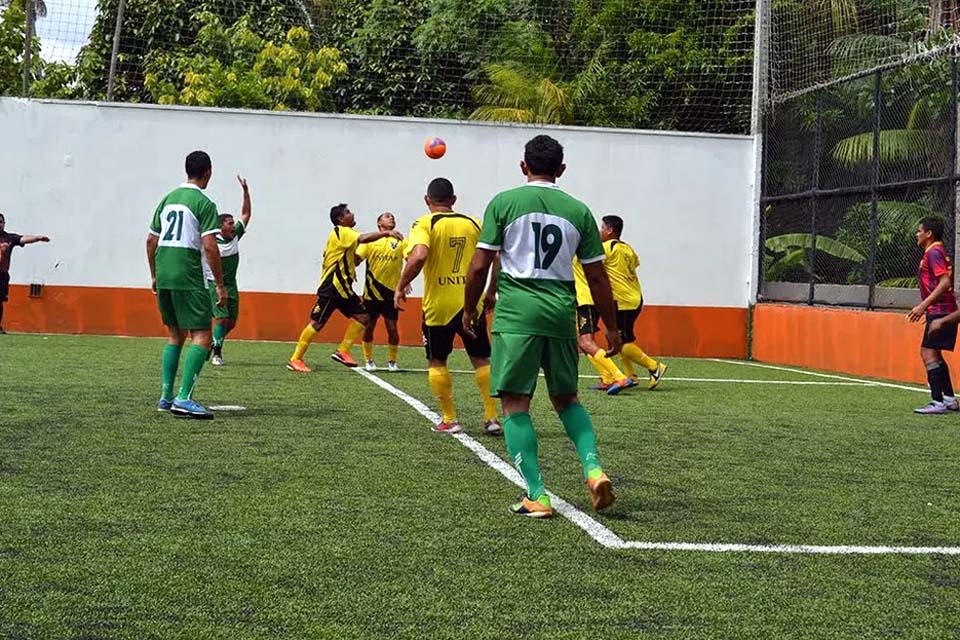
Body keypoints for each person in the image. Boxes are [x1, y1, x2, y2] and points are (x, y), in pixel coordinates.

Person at [463, 134, 621, 518]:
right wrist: (612, 328)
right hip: (560, 314)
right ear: (561, 170)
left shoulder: (503, 202)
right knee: (567, 398)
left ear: (523, 166)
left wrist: (469, 308)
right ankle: (593, 468)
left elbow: (481, 265)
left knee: (515, 402)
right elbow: (597, 277)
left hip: (517, 314)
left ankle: (537, 494)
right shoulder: (579, 211)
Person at [395, 178, 502, 436]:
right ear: (454, 200)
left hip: (438, 305)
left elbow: (419, 255)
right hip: (469, 302)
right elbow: (497, 256)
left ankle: (450, 419)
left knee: (437, 359)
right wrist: (490, 291)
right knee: (481, 358)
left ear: (427, 200)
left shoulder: (424, 223)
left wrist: (400, 285)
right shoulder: (474, 222)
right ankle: (491, 417)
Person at [146, 150, 226, 419]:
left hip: (164, 272)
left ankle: (166, 396)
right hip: (188, 273)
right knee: (202, 335)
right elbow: (210, 246)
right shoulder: (204, 202)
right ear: (208, 172)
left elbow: (150, 240)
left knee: (174, 335)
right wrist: (220, 285)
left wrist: (154, 275)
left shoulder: (167, 199)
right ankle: (184, 398)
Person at [287, 204, 402, 372]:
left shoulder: (346, 236)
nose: (352, 214)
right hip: (332, 288)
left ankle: (342, 351)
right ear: (340, 219)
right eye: (348, 212)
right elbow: (363, 239)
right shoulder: (342, 231)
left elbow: (353, 257)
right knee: (317, 323)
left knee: (364, 317)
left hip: (344, 289)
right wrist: (387, 233)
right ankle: (295, 359)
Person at [599, 215, 667, 389]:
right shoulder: (627, 248)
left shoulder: (606, 248)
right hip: (635, 297)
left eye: (602, 228)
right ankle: (631, 376)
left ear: (609, 230)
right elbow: (634, 264)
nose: (600, 232)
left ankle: (654, 366)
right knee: (618, 338)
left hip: (621, 300)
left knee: (619, 342)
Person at [338, 212, 407, 372]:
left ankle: (392, 361)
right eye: (387, 216)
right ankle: (369, 359)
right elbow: (356, 260)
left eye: (393, 217)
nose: (392, 218)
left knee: (392, 328)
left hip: (391, 294)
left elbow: (410, 261)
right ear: (379, 223)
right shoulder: (370, 241)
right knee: (369, 327)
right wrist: (344, 254)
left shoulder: (401, 240)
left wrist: (405, 283)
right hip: (371, 294)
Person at [908, 216, 959, 414]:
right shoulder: (934, 252)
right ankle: (949, 399)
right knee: (935, 353)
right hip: (940, 310)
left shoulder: (934, 252)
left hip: (940, 311)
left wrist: (923, 306)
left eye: (920, 230)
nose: (917, 234)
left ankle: (937, 402)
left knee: (927, 352)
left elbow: (945, 282)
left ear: (929, 234)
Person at [207, 176, 252, 366]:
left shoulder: (235, 236)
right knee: (221, 317)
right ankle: (217, 353)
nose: (233, 225)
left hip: (232, 285)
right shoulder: (210, 241)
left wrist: (246, 192)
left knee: (231, 322)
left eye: (233, 223)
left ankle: (211, 342)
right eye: (229, 223)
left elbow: (246, 214)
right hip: (214, 284)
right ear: (220, 226)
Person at [573, 257, 636, 394]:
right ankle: (606, 378)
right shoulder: (589, 255)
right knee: (582, 341)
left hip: (585, 300)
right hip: (591, 299)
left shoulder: (575, 252)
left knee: (586, 342)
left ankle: (619, 377)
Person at [0, 213, 50, 334]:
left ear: (4, 224)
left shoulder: (9, 238)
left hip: (2, 274)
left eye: (1, 222)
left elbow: (23, 239)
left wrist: (37, 238)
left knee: (0, 301)